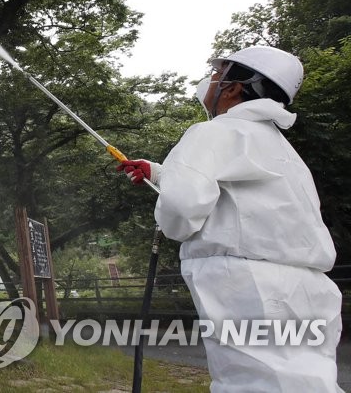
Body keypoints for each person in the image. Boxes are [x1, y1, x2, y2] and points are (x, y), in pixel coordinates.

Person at [117, 45, 344, 392]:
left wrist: (172, 205)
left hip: (248, 285)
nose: (211, 80)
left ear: (234, 86)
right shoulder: (282, 150)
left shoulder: (212, 132)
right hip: (309, 289)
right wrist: (161, 173)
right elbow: (244, 196)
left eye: (217, 73)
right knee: (306, 381)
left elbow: (180, 211)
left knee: (253, 383)